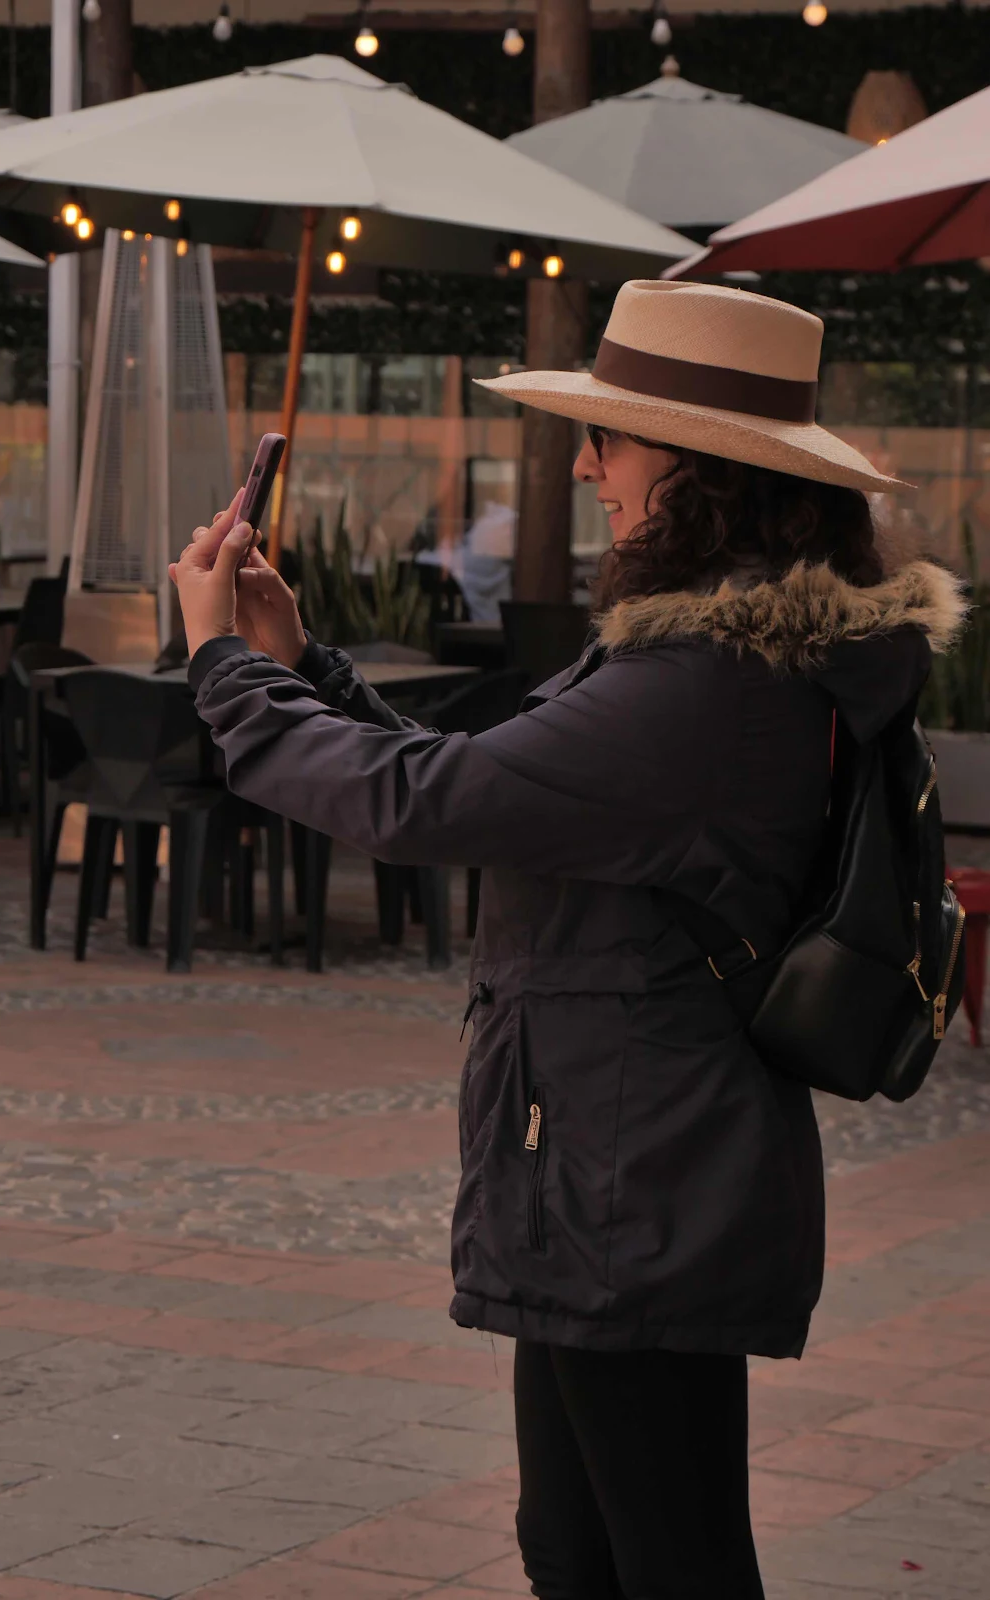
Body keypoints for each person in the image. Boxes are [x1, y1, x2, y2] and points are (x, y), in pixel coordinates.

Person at [171, 281, 964, 1600]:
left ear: (699, 469)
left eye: (608, 437)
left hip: (634, 1171)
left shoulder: (708, 679)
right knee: (581, 1549)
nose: (586, 465)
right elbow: (498, 788)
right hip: (621, 1156)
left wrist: (223, 671)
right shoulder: (713, 659)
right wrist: (301, 667)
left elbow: (421, 802)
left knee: (664, 1564)